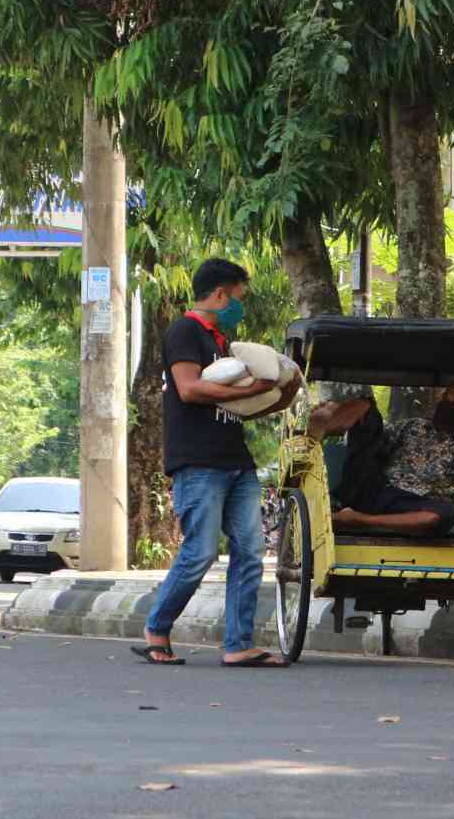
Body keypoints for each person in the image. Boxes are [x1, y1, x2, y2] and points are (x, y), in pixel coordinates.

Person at [135, 258, 301, 667]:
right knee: (201, 551)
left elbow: (243, 407)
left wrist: (282, 393)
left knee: (250, 551)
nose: (239, 307)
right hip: (198, 462)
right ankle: (157, 627)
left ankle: (238, 644)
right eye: (238, 297)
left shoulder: (225, 345)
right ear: (221, 294)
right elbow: (190, 390)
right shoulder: (185, 331)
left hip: (236, 461)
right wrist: (260, 386)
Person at [312, 378, 454, 536]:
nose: (447, 402)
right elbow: (371, 438)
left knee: (447, 513)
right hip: (376, 492)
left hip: (412, 506)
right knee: (366, 406)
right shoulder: (415, 426)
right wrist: (348, 415)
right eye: (446, 397)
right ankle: (318, 430)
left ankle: (357, 520)